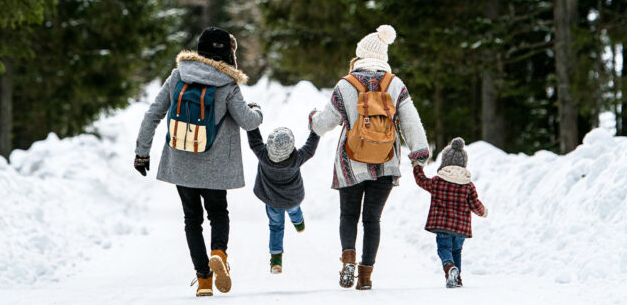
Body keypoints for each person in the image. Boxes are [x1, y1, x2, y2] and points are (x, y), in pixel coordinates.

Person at [133, 27, 263, 297]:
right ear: (227, 53)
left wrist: (142, 152)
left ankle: (203, 280)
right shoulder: (227, 84)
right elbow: (248, 121)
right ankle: (219, 253)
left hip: (181, 162)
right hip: (216, 166)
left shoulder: (179, 75)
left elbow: (152, 114)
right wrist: (257, 110)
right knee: (218, 213)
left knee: (192, 219)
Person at [309, 24, 431, 290]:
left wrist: (313, 121)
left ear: (360, 55)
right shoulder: (395, 84)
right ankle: (365, 277)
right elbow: (411, 123)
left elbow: (325, 123)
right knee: (372, 219)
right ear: (383, 57)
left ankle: (348, 259)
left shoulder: (346, 85)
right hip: (386, 162)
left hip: (350, 162)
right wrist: (419, 156)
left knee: (348, 216)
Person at [245, 119, 320, 274]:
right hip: (293, 199)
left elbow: (254, 140)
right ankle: (299, 223)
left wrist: (251, 117)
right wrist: (315, 130)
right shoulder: (296, 158)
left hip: (272, 201)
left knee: (276, 226)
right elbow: (310, 149)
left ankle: (276, 261)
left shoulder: (263, 155)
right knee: (294, 211)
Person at [412, 137, 487, 288]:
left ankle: (449, 268)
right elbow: (474, 204)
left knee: (444, 249)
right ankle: (456, 278)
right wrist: (483, 211)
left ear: (445, 162)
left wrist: (417, 166)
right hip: (461, 228)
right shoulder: (468, 186)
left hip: (443, 226)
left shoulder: (437, 181)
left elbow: (421, 181)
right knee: (457, 251)